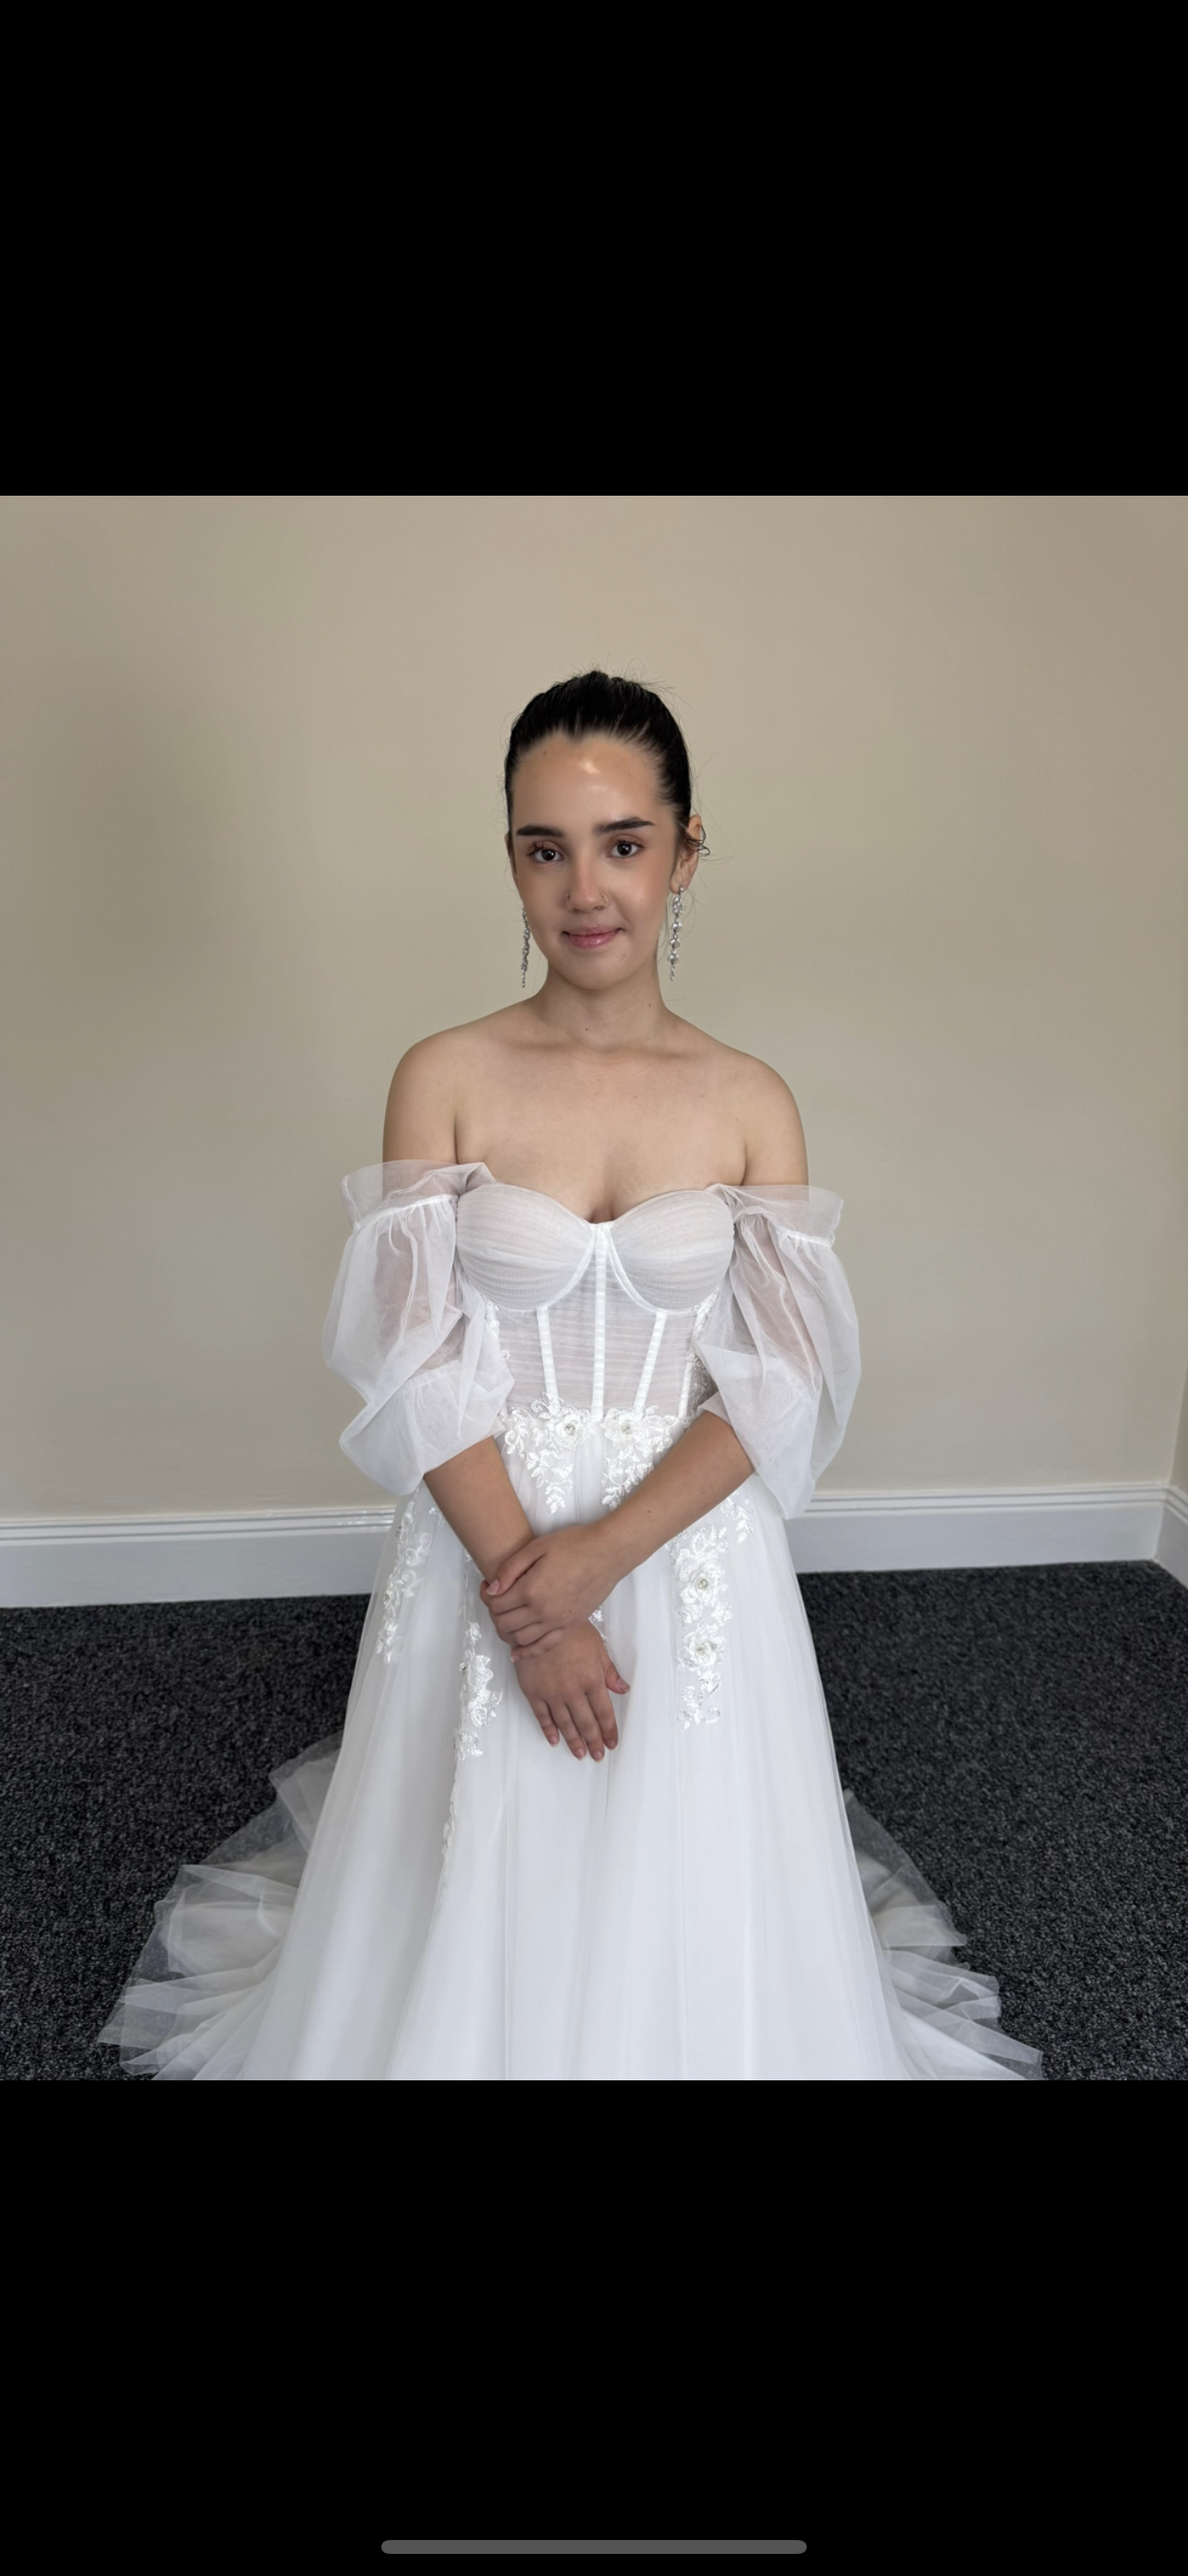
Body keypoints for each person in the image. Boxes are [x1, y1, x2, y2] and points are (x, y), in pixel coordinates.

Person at [99, 672, 1044, 2079]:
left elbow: (779, 1379)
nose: (584, 889)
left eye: (622, 844)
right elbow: (411, 1355)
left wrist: (599, 1560)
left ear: (684, 853)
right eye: (545, 848)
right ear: (510, 862)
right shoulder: (445, 1073)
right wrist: (534, 1608)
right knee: (476, 1853)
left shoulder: (748, 1099)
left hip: (680, 1538)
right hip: (485, 1526)